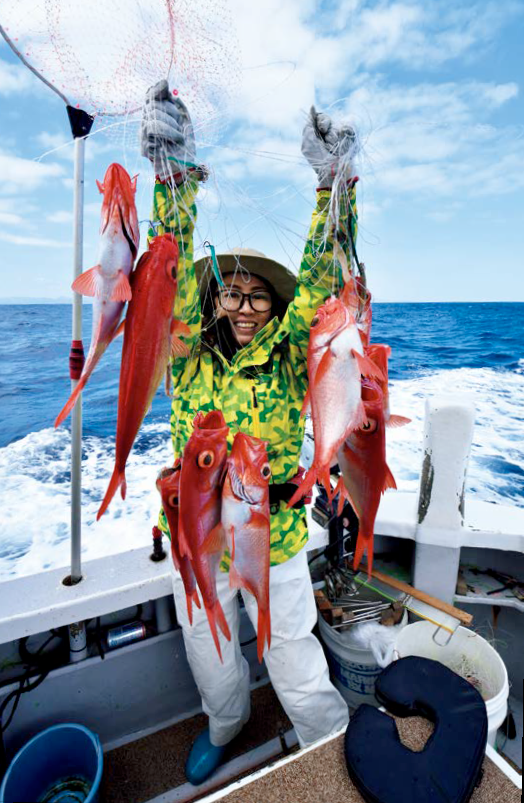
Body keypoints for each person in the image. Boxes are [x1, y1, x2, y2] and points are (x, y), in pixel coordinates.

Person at [141, 80, 359, 785]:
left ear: (274, 305)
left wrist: (334, 187)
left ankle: (329, 739)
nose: (241, 303)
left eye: (256, 293)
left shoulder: (296, 352)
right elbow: (162, 270)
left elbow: (328, 283)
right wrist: (173, 175)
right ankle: (226, 722)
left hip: (280, 536)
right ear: (213, 301)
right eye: (229, 292)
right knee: (209, 644)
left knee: (292, 647)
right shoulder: (185, 348)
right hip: (199, 534)